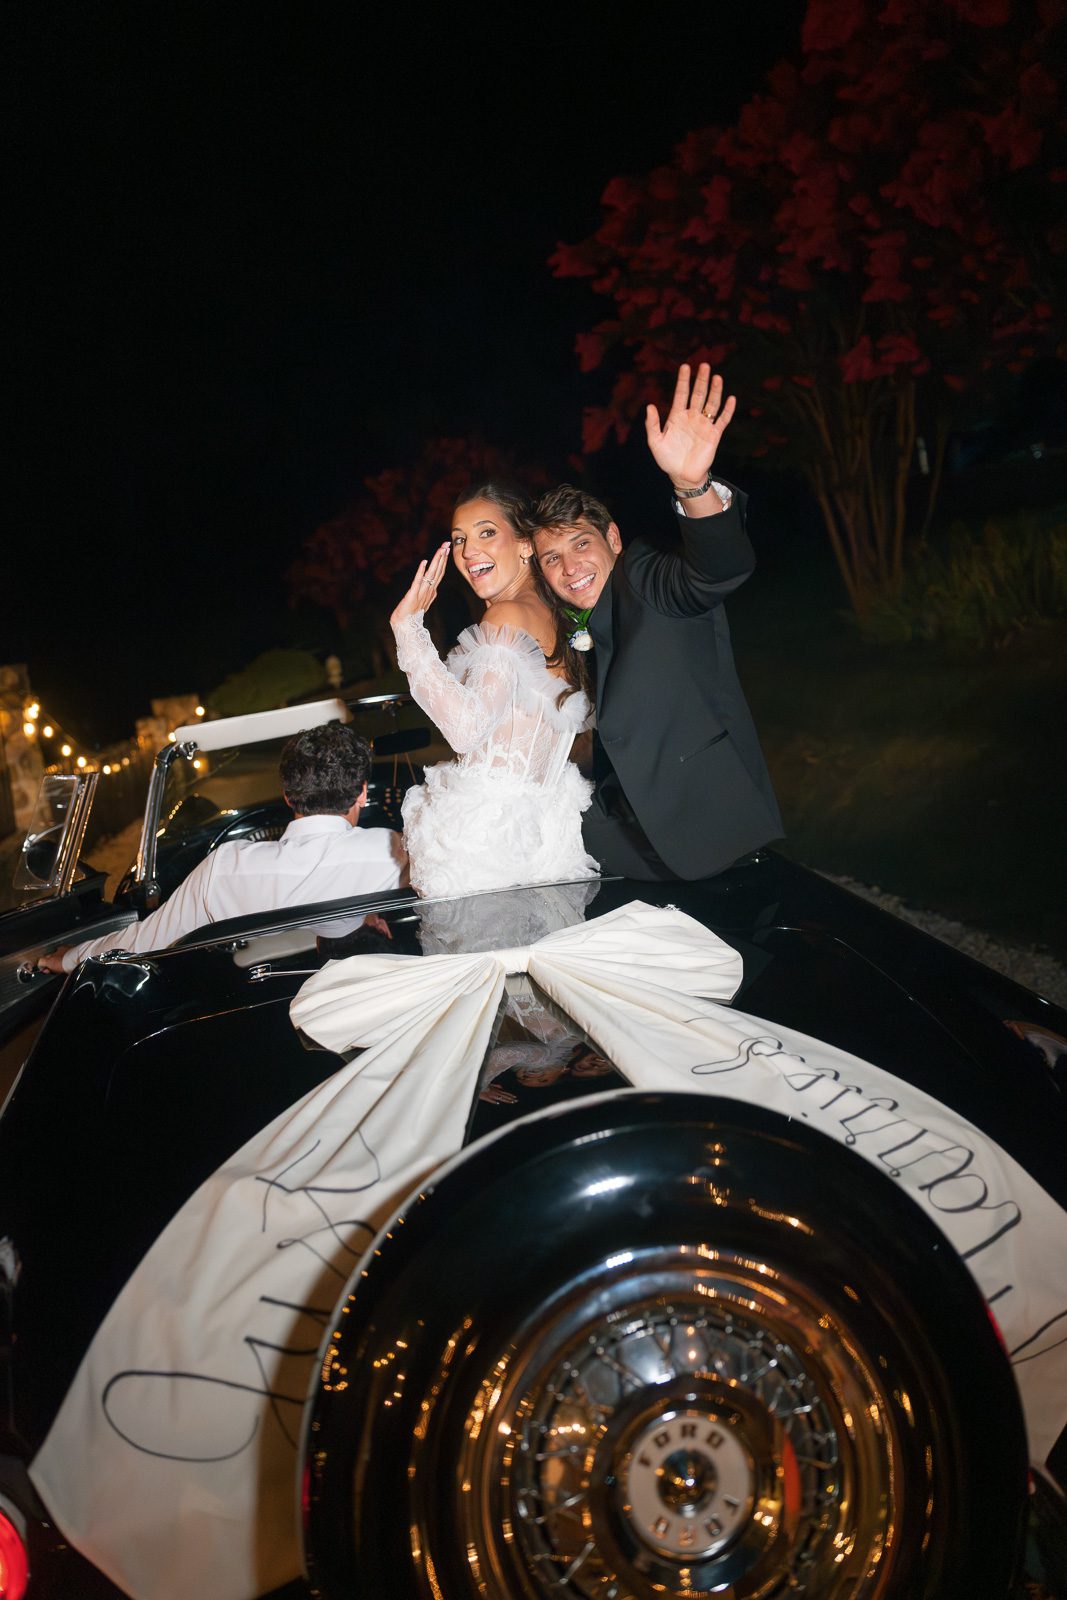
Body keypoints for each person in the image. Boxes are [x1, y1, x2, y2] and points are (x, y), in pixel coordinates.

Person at [531, 361, 783, 881]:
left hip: (714, 841)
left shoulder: (643, 577)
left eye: (581, 543)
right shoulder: (581, 630)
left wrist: (693, 486)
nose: (570, 567)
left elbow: (719, 569)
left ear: (615, 540)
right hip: (639, 842)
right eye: (551, 557)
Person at [37, 723, 407, 972]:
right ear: (361, 792)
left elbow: (145, 940)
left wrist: (67, 959)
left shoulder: (225, 868)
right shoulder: (393, 851)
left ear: (287, 794)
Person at [389, 484, 599, 899]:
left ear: (525, 545)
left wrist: (407, 629)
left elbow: (467, 730)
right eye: (459, 539)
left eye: (486, 533)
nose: (468, 552)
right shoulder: (550, 614)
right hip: (542, 839)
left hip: (485, 846)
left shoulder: (507, 615)